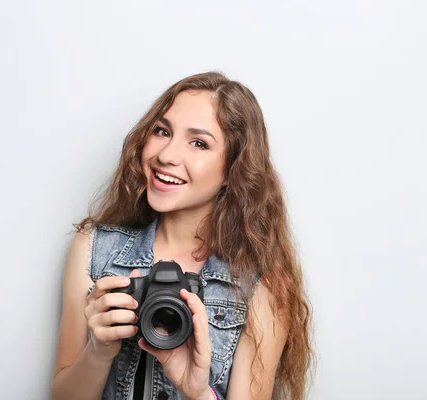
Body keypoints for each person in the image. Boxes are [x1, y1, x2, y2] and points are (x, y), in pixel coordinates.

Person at [50, 71, 314, 400]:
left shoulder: (260, 284)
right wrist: (99, 352)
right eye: (162, 131)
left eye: (198, 143)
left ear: (233, 170)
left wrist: (198, 391)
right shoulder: (94, 249)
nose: (167, 155)